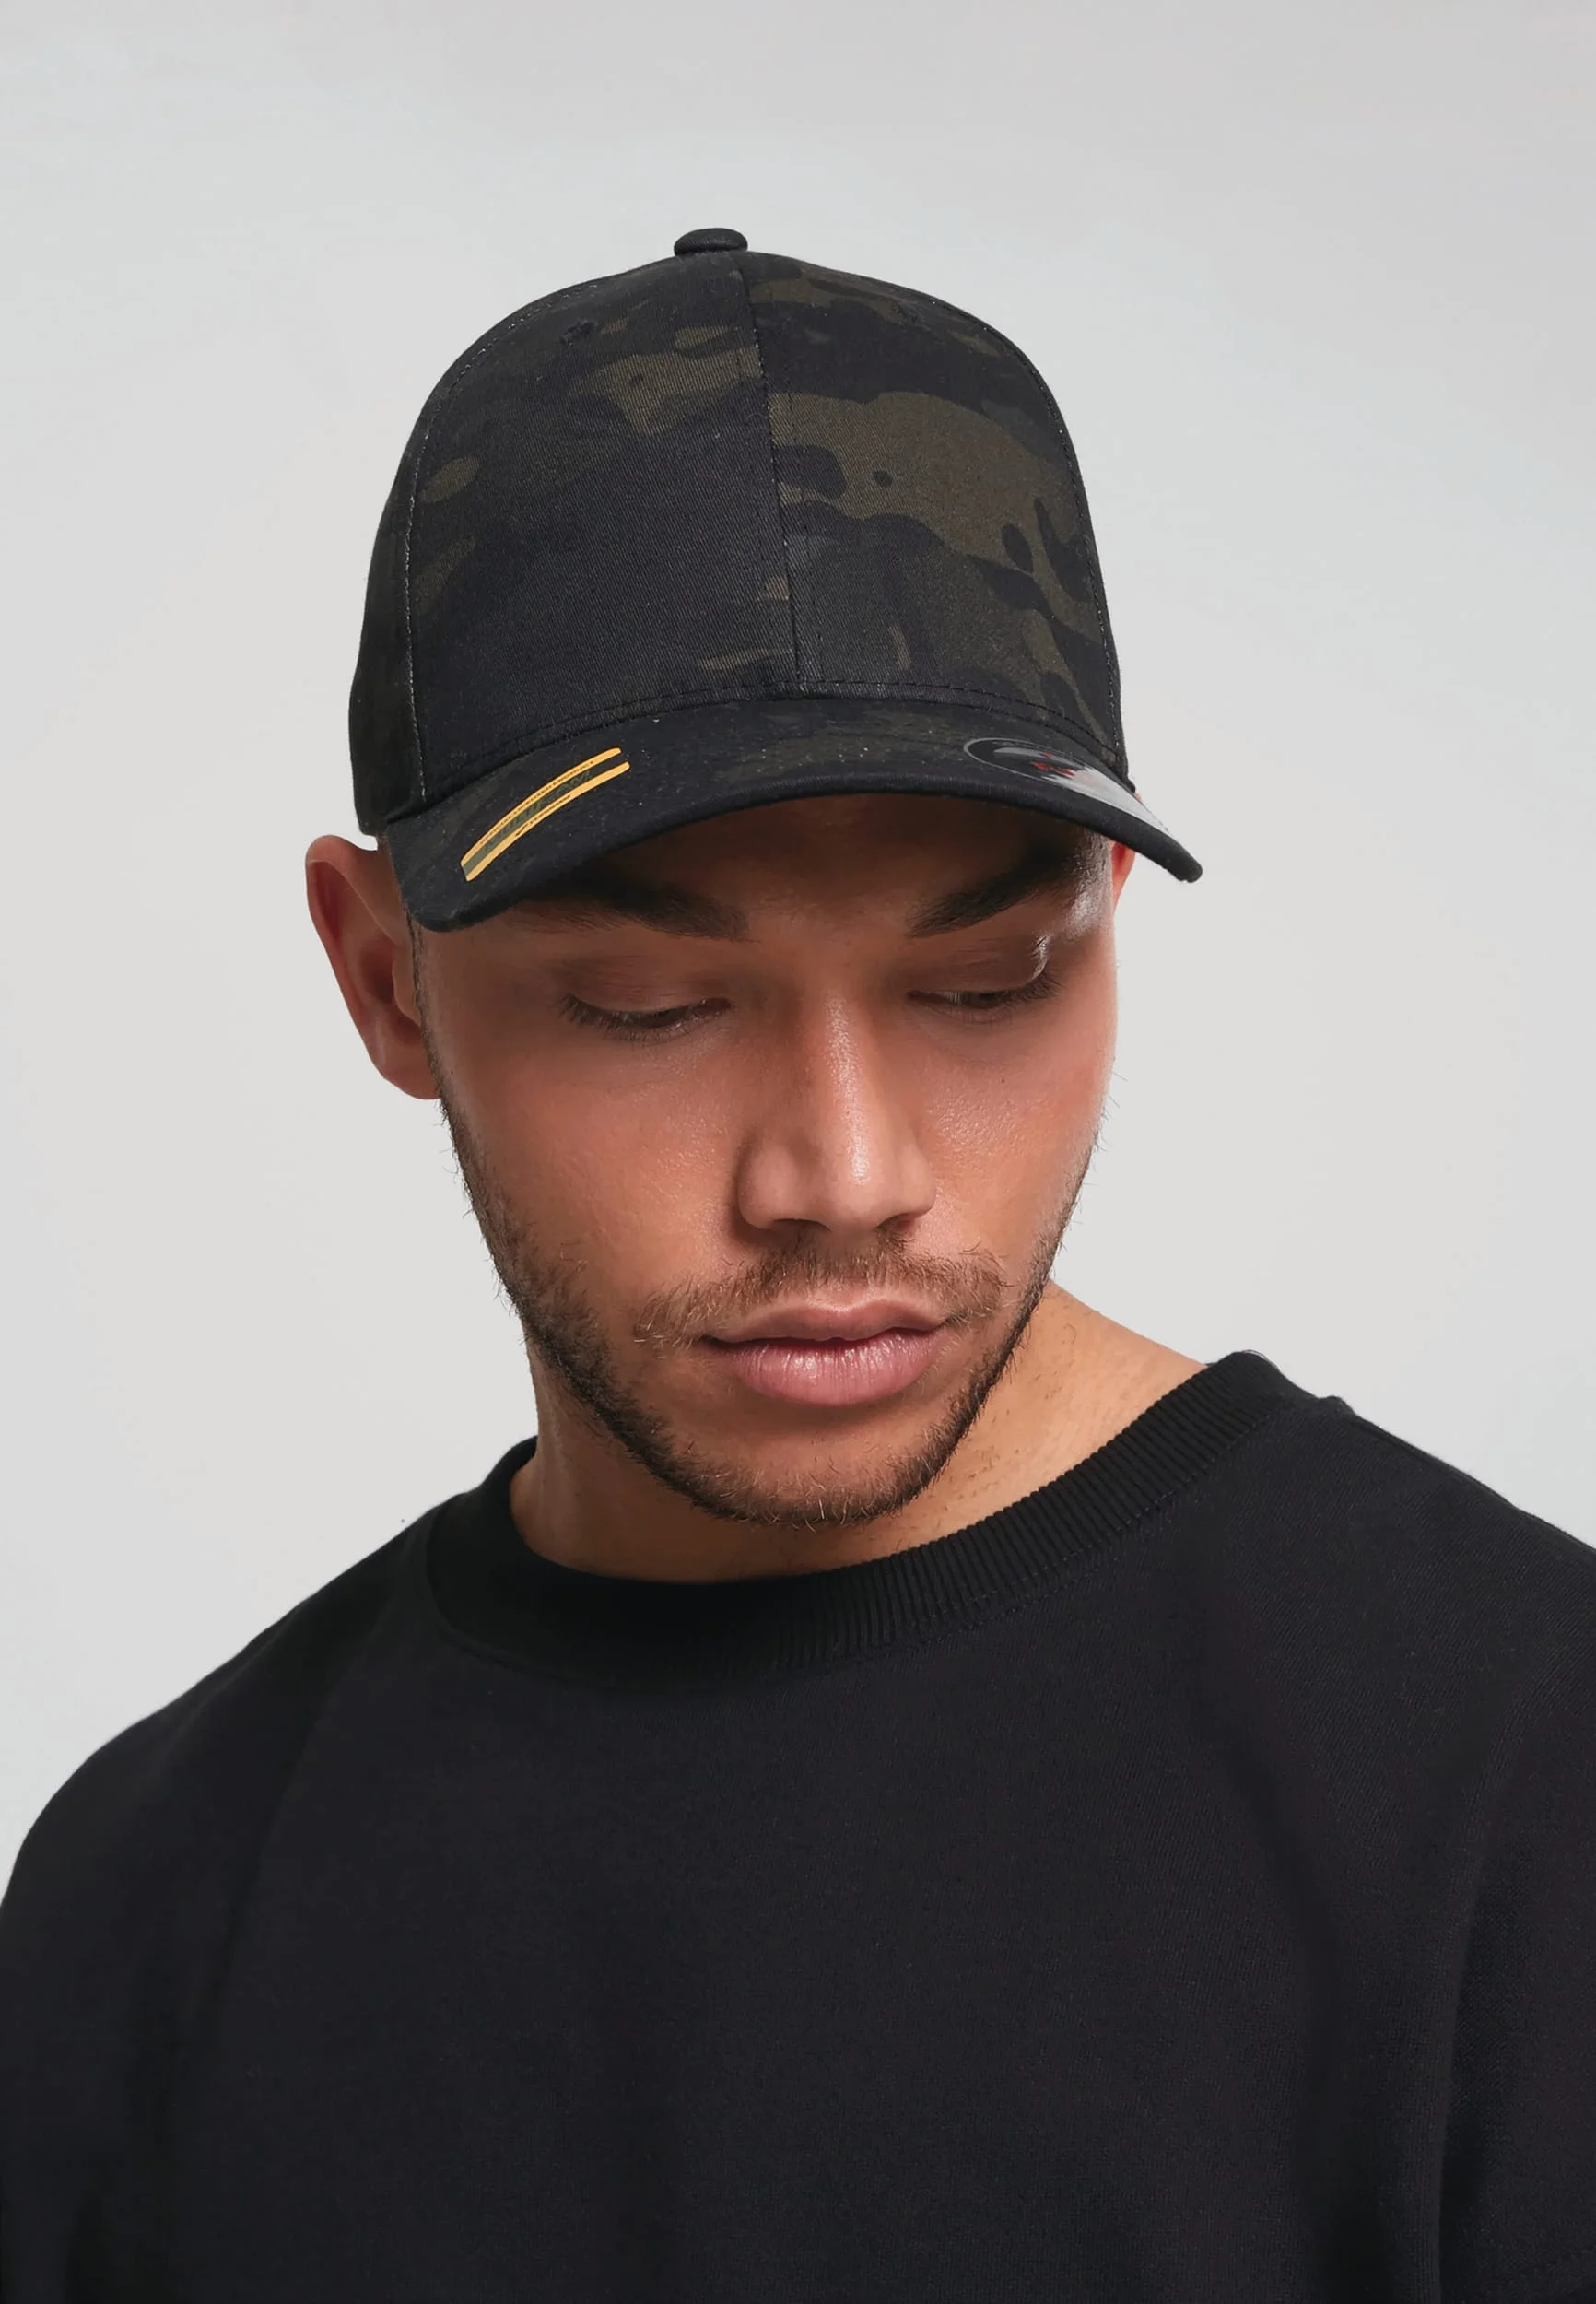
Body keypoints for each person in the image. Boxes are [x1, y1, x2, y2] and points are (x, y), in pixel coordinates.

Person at [2, 226, 1593, 2304]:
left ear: (1105, 919)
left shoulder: (1522, 1786)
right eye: (652, 1006)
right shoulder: (144, 1904)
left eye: (983, 981)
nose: (844, 1176)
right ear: (384, 978)